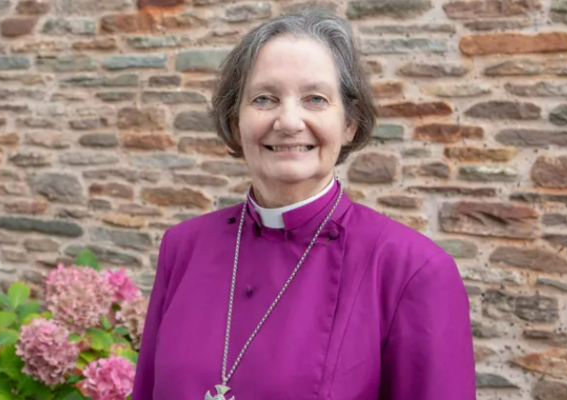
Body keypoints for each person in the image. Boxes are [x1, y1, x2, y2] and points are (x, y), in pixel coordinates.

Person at [131, 12, 476, 400]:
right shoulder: (183, 248)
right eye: (265, 99)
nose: (289, 121)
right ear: (234, 118)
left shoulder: (412, 270)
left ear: (349, 122)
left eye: (315, 99)